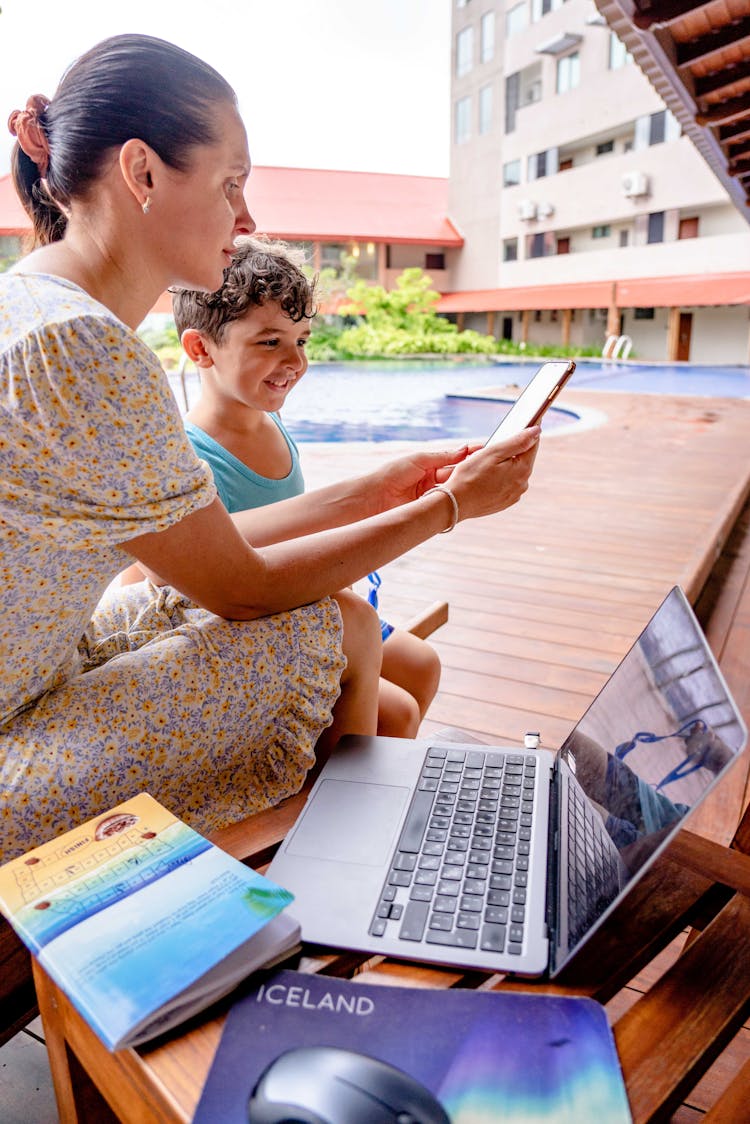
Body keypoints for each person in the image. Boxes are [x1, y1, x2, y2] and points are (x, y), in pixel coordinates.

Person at [0, 33, 540, 863]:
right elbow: (245, 590)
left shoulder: (35, 305)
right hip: (12, 740)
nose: (247, 219)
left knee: (350, 621)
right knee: (339, 626)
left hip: (38, 666)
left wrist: (384, 485)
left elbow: (207, 544)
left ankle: (343, 852)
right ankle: (337, 875)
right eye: (231, 184)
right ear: (141, 173)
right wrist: (451, 507)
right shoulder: (84, 348)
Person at [168, 235, 441, 737]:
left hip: (311, 597)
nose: (295, 362)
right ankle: (339, 790)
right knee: (396, 711)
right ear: (201, 349)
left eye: (302, 341)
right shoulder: (191, 460)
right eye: (270, 341)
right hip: (254, 629)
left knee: (422, 663)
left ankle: (384, 774)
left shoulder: (268, 422)